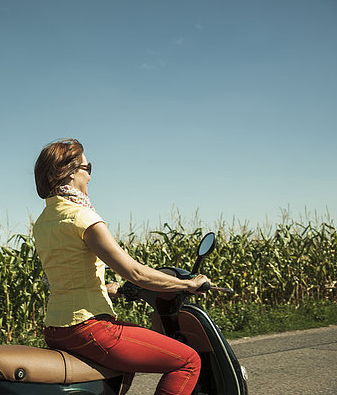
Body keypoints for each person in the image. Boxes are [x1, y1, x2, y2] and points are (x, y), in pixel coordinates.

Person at [32, 138, 211, 395]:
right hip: (88, 327)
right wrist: (188, 284)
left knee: (129, 357)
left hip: (56, 328)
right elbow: (134, 272)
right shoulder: (82, 217)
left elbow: (67, 271)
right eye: (87, 168)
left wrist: (106, 288)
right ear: (70, 173)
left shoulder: (44, 221)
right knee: (188, 361)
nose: (90, 177)